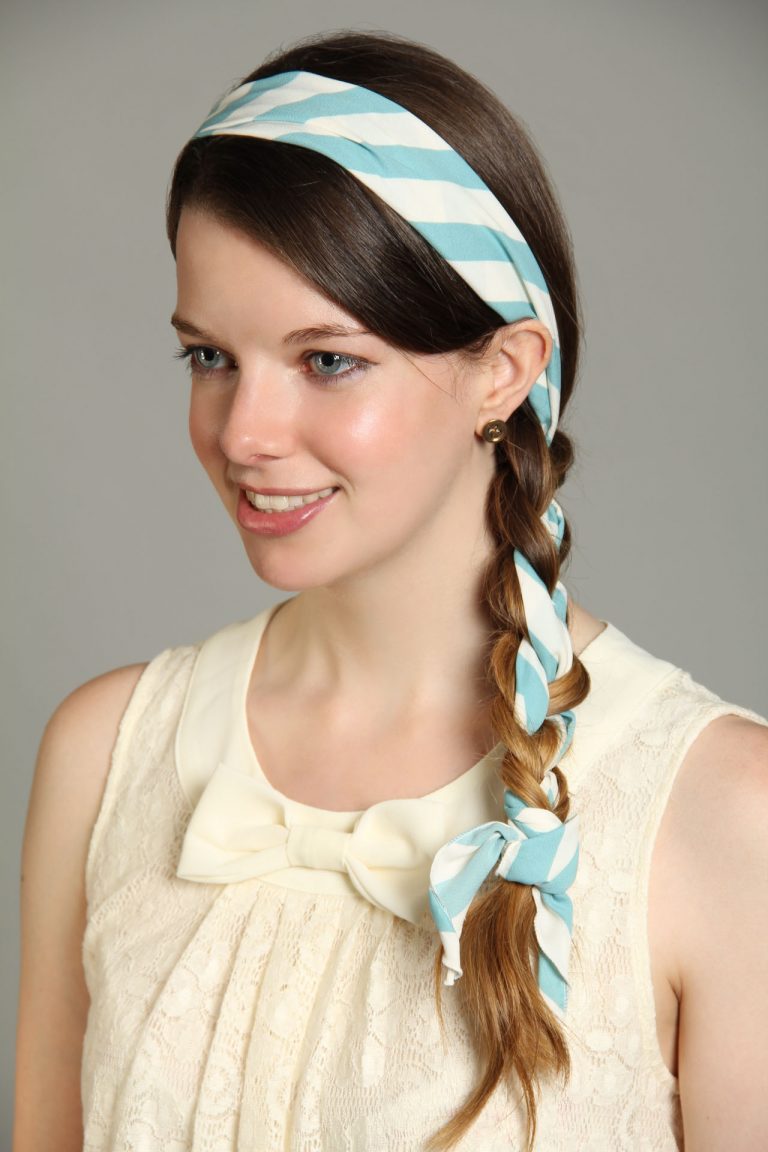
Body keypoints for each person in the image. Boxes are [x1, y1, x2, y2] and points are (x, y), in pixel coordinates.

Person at [14, 29, 768, 1152]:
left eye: (328, 360)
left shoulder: (725, 816)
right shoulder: (107, 755)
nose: (244, 433)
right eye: (210, 356)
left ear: (502, 373)